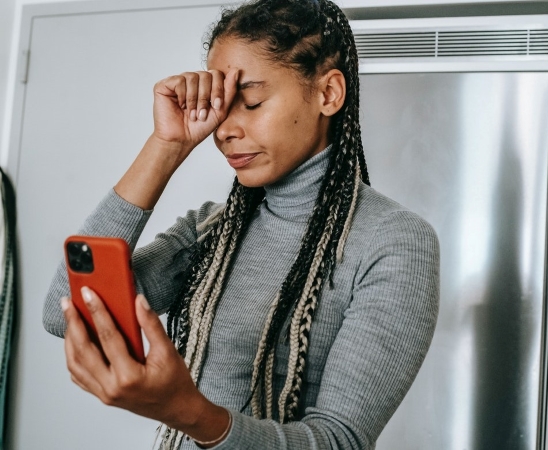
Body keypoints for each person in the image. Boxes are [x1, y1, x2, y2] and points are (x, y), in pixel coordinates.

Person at [42, 0, 440, 449]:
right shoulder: (212, 228)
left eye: (250, 102)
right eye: (221, 106)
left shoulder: (392, 242)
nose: (224, 129)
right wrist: (166, 144)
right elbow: (66, 308)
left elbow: (339, 442)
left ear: (328, 94)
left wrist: (188, 413)